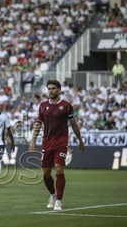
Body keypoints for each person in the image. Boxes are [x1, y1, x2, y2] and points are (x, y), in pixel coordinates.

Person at [29, 79, 84, 211]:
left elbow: (74, 124)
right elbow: (38, 123)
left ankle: (59, 201)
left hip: (61, 142)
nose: (51, 91)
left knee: (59, 168)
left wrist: (80, 140)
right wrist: (32, 140)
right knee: (46, 174)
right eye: (49, 88)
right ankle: (53, 195)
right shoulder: (42, 106)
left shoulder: (66, 106)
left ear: (59, 90)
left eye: (53, 88)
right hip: (46, 142)